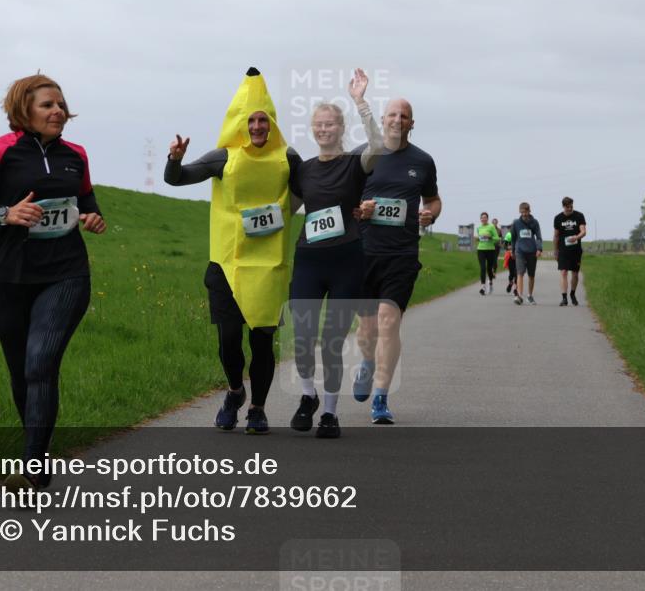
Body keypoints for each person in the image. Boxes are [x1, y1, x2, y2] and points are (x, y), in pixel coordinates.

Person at [0, 74, 106, 490]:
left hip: (66, 273)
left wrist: (92, 217)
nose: (58, 111)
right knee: (22, 372)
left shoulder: (76, 155)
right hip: (8, 276)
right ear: (24, 109)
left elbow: (86, 202)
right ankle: (38, 450)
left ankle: (31, 466)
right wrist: (5, 214)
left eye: (61, 104)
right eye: (47, 105)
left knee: (41, 362)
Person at [165, 67, 300, 435]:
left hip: (268, 267)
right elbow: (176, 179)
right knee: (228, 341)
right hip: (226, 264)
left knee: (261, 342)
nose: (257, 126)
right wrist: (175, 158)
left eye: (263, 119)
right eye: (251, 120)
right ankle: (236, 391)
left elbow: (314, 188)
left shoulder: (288, 158)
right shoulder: (223, 157)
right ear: (240, 123)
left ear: (272, 123)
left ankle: (257, 408)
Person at [350, 74, 441, 424]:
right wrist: (361, 209)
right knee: (367, 329)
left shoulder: (424, 161)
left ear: (411, 123)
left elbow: (433, 200)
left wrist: (431, 214)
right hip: (364, 251)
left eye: (403, 116)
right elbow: (346, 201)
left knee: (390, 322)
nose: (397, 120)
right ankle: (367, 363)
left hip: (402, 255)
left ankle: (381, 398)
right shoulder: (364, 156)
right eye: (392, 115)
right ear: (383, 119)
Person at [288, 77, 376, 438]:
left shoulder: (356, 162)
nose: (324, 129)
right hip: (308, 258)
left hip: (346, 261)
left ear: (341, 128)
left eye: (330, 124)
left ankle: (329, 413)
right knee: (303, 335)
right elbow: (287, 211)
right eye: (318, 125)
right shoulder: (304, 170)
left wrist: (360, 102)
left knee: (333, 339)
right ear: (313, 130)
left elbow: (380, 145)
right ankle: (307, 396)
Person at [553, 196, 587, 306]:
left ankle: (572, 294)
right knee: (563, 272)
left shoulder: (579, 216)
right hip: (563, 250)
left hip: (576, 250)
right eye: (567, 207)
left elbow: (583, 231)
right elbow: (556, 236)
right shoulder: (558, 218)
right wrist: (555, 250)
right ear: (563, 206)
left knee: (575, 273)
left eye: (571, 206)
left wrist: (576, 237)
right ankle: (564, 298)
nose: (570, 209)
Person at [510, 202, 542, 305]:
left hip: (532, 251)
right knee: (520, 273)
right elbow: (513, 238)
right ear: (520, 211)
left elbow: (539, 237)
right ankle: (519, 296)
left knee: (531, 275)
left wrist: (539, 249)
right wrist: (513, 250)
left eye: (526, 212)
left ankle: (530, 296)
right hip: (520, 251)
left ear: (529, 211)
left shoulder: (535, 222)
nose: (524, 214)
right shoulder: (516, 223)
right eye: (522, 212)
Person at [475, 212, 500, 295]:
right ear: (480, 219)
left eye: (485, 217)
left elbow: (497, 238)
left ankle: (490, 283)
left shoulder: (491, 227)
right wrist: (477, 239)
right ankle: (483, 287)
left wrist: (490, 237)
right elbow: (478, 238)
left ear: (487, 219)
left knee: (489, 269)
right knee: (482, 268)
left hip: (490, 250)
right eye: (482, 218)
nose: (483, 219)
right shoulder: (478, 228)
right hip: (481, 249)